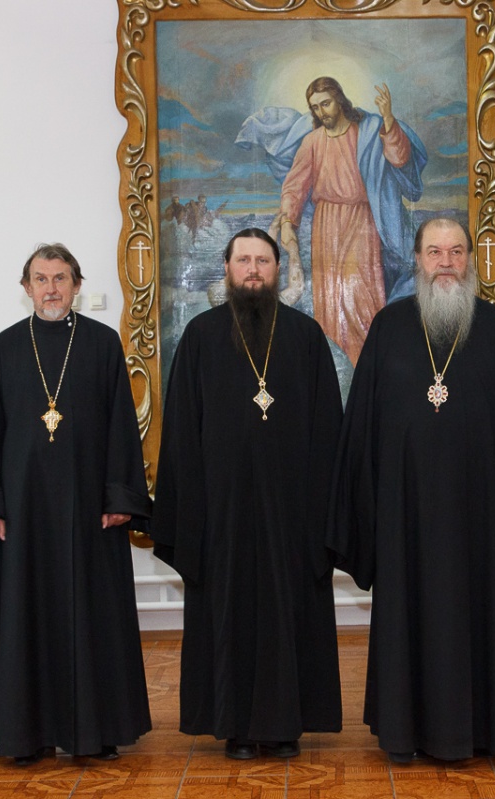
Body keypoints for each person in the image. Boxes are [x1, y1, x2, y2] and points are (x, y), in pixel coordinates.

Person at [328, 217, 495, 762]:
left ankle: (488, 730)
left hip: (484, 521)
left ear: (470, 260)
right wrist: (365, 513)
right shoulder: (388, 328)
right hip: (405, 519)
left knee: (482, 615)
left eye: (456, 251)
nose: (446, 262)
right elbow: (361, 432)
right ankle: (405, 733)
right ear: (417, 260)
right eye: (434, 252)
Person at [151, 228, 343, 760]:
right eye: (244, 260)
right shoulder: (201, 336)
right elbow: (182, 432)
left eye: (263, 260)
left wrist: (323, 511)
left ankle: (286, 725)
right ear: (227, 268)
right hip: (223, 513)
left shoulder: (305, 336)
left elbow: (329, 429)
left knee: (289, 611)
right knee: (228, 613)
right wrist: (191, 512)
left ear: (278, 270)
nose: (253, 269)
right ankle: (234, 724)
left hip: (291, 513)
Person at [0, 243, 152, 765]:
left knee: (94, 615)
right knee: (26, 616)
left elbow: (122, 426)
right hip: (23, 510)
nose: (51, 288)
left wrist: (120, 496)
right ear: (26, 288)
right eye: (41, 279)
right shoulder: (3, 348)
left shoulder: (102, 343)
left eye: (61, 278)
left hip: (90, 507)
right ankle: (28, 735)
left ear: (77, 285)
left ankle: (98, 731)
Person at [237, 76, 428, 364]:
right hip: (325, 227)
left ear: (339, 99)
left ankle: (369, 364)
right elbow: (294, 186)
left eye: (325, 104)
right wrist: (288, 222)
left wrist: (389, 120)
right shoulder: (313, 141)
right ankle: (336, 367)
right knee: (330, 302)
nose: (321, 112)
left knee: (363, 299)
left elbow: (400, 159)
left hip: (362, 223)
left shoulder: (368, 132)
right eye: (315, 107)